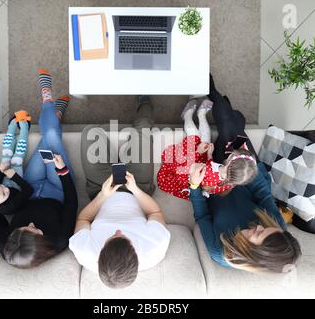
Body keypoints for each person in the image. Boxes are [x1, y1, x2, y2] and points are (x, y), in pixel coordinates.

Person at [188, 74, 301, 273]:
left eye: (258, 234)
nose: (259, 226)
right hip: (244, 174)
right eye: (265, 227)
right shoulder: (277, 227)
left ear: (252, 253)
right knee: (226, 121)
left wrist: (194, 185)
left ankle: (235, 118)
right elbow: (262, 193)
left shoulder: (220, 251)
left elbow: (203, 217)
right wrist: (242, 165)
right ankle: (213, 93)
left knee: (220, 131)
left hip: (213, 182)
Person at [69, 96, 171, 289]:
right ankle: (144, 99)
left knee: (91, 133)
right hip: (137, 189)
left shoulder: (84, 252)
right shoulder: (154, 248)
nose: (118, 231)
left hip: (101, 189)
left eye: (111, 237)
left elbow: (82, 219)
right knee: (140, 130)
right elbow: (155, 213)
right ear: (135, 251)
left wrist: (103, 196)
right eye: (123, 237)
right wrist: (135, 190)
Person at [0, 69, 78, 269]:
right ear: (42, 243)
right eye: (35, 230)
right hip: (58, 190)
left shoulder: (4, 243)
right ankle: (48, 99)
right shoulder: (60, 240)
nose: (31, 224)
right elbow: (72, 203)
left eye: (24, 227)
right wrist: (62, 171)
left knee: (49, 138)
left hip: (30, 185)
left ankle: (54, 111)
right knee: (52, 137)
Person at [157, 96, 258, 200]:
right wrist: (209, 155)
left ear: (230, 160)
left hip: (180, 174)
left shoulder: (208, 172)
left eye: (233, 153)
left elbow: (184, 168)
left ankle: (187, 116)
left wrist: (197, 152)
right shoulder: (230, 180)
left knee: (194, 137)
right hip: (200, 168)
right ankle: (201, 115)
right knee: (206, 142)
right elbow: (211, 165)